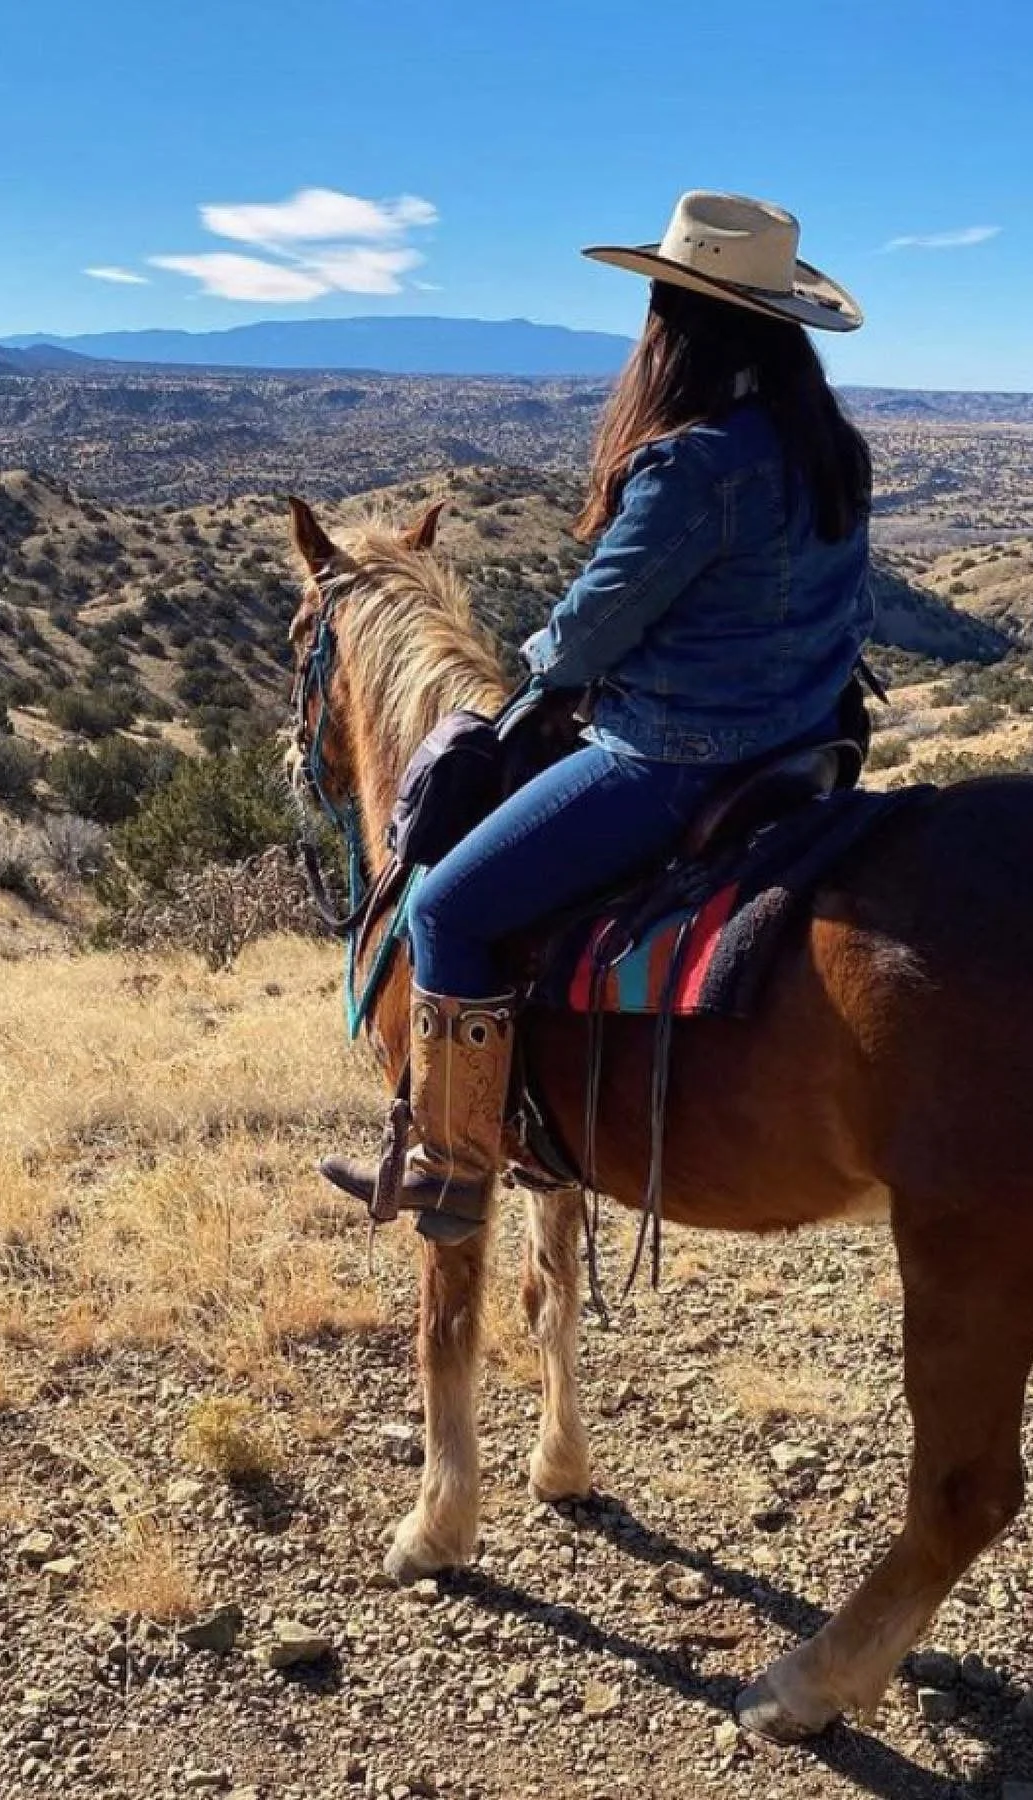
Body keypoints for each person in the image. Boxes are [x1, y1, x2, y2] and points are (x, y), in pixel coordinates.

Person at [321, 190, 874, 1241]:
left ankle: (453, 1165)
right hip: (807, 751)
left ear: (681, 319)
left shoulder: (694, 463)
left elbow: (588, 632)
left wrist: (522, 698)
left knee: (445, 912)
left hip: (672, 761)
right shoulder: (826, 450)